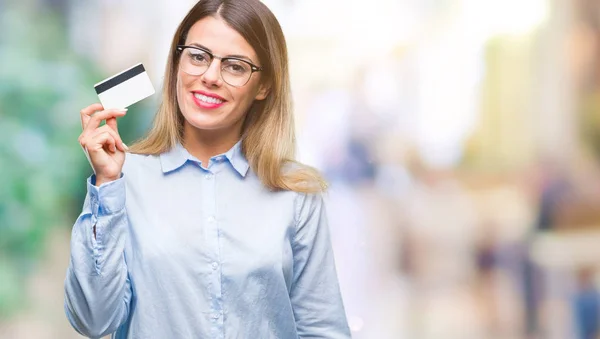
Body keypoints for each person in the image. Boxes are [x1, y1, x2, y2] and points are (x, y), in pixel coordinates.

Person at [63, 1, 350, 338]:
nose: (210, 77)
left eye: (236, 66)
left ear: (263, 86)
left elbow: (322, 329)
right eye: (198, 57)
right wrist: (108, 185)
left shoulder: (295, 193)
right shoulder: (123, 180)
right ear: (177, 64)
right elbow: (93, 322)